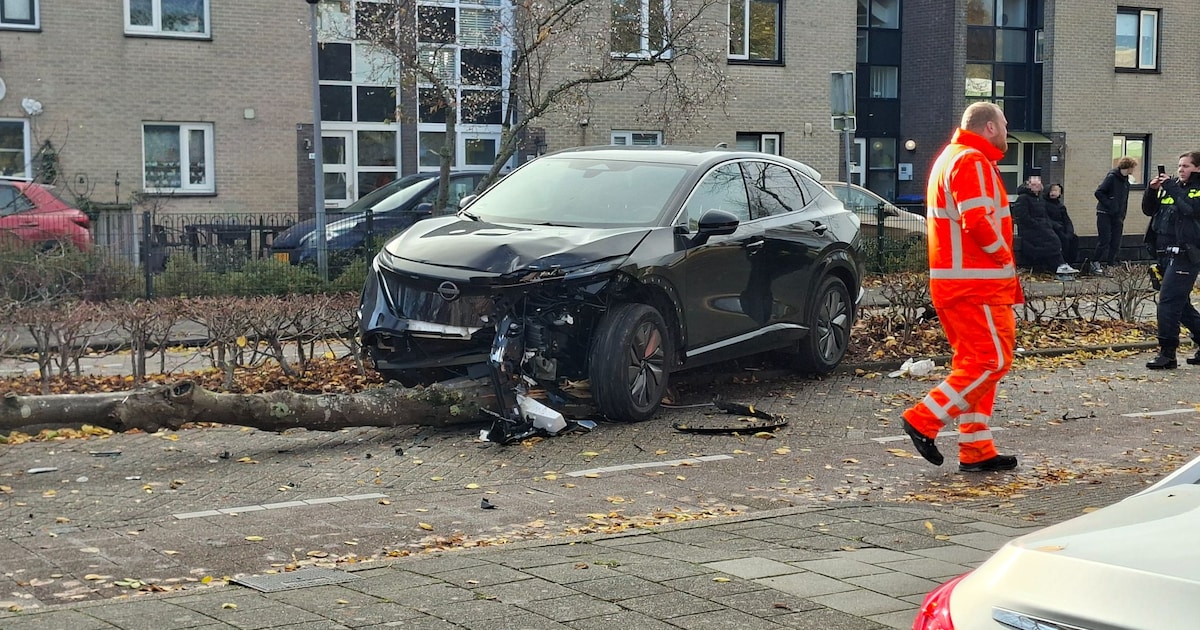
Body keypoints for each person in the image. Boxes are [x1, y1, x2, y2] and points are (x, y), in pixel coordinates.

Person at [900, 102, 1021, 473]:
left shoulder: (951, 158)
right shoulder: (973, 161)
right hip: (977, 284)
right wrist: (1004, 258)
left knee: (974, 363)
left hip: (959, 283)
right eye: (1003, 123)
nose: (1006, 130)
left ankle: (976, 447)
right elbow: (977, 220)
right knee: (992, 361)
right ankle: (924, 419)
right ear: (988, 127)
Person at [1140, 151, 1200, 369]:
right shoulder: (1172, 187)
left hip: (1185, 255)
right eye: (1179, 166)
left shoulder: (1195, 191)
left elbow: (1190, 210)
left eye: (1186, 166)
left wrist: (1172, 189)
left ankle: (1168, 354)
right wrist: (1152, 190)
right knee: (1180, 306)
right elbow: (1149, 210)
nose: (1181, 170)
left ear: (1198, 168)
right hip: (1164, 254)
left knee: (1167, 304)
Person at [1011, 177, 1078, 275]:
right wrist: (1039, 225)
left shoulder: (1040, 199)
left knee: (1057, 238)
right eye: (1034, 184)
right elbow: (1023, 217)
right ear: (1028, 185)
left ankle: (1062, 264)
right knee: (1051, 240)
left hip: (1042, 227)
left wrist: (1048, 224)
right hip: (1030, 229)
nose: (1037, 186)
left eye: (1038, 184)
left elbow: (1045, 216)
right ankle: (1059, 265)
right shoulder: (1023, 198)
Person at [1091, 156, 1136, 274]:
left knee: (1116, 241)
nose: (1134, 170)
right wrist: (1110, 204)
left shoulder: (1126, 181)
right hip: (1105, 213)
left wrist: (1122, 213)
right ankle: (1095, 262)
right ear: (1128, 167)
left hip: (1118, 215)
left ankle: (1110, 264)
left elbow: (1124, 199)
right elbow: (1099, 192)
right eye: (1133, 167)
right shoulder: (1112, 177)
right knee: (1105, 239)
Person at [1045, 183, 1079, 264]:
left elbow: (1067, 220)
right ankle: (1062, 263)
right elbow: (1045, 218)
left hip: (1062, 228)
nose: (1054, 193)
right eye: (1052, 190)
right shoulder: (1044, 204)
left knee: (1074, 239)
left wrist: (1069, 231)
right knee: (1062, 239)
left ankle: (1070, 262)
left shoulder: (1061, 206)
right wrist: (1056, 226)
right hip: (1052, 229)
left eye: (1056, 190)